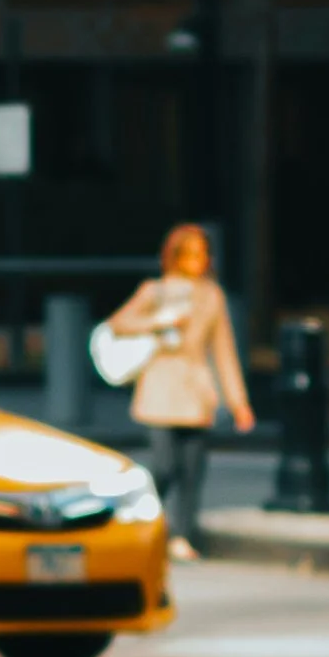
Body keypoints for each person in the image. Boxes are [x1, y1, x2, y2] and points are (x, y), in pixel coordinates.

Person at [101, 222, 251, 557]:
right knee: (165, 465)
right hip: (160, 388)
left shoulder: (212, 296)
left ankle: (181, 535)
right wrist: (159, 322)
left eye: (203, 254)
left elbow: (223, 352)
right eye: (191, 254)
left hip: (196, 390)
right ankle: (141, 520)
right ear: (175, 256)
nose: (198, 260)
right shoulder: (155, 292)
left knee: (192, 469)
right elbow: (119, 324)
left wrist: (238, 401)